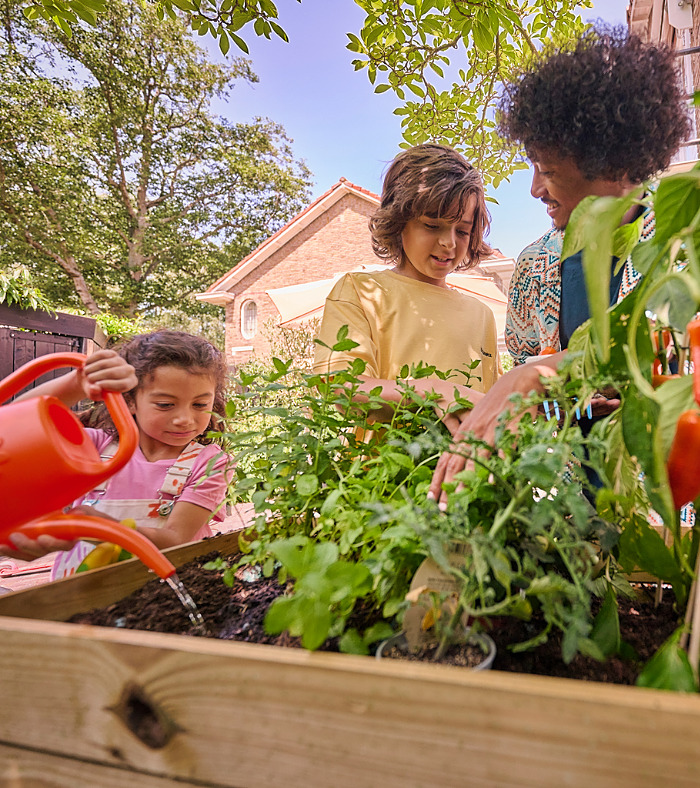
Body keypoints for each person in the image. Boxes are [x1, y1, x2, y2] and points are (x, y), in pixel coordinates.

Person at [429, 24, 690, 503]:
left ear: (611, 162)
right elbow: (533, 412)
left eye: (547, 170)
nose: (535, 189)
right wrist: (555, 399)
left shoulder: (684, 243)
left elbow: (676, 365)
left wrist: (537, 375)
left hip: (670, 512)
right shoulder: (533, 268)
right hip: (567, 514)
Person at [3, 330, 233, 572]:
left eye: (200, 404)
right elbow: (10, 428)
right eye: (165, 405)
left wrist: (108, 527)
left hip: (165, 589)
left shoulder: (210, 463)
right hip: (80, 592)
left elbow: (175, 540)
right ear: (131, 401)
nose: (185, 419)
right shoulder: (94, 448)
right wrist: (75, 385)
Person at [313, 143, 500, 435]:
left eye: (462, 230)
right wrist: (432, 391)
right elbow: (341, 389)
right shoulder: (360, 292)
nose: (449, 243)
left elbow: (489, 405)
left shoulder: (481, 315)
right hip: (382, 478)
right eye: (432, 225)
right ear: (399, 222)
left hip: (468, 477)